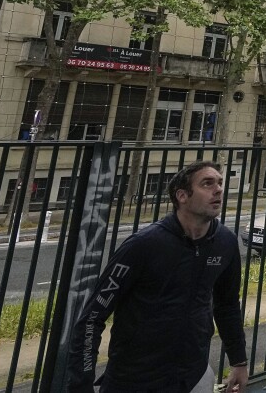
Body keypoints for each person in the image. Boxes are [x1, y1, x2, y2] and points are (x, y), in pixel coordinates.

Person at [66, 160, 248, 393]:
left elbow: (228, 306)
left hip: (193, 376)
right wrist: (80, 385)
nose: (219, 189)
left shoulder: (225, 243)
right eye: (207, 183)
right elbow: (92, 317)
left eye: (220, 183)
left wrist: (239, 362)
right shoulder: (144, 245)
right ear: (182, 196)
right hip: (134, 379)